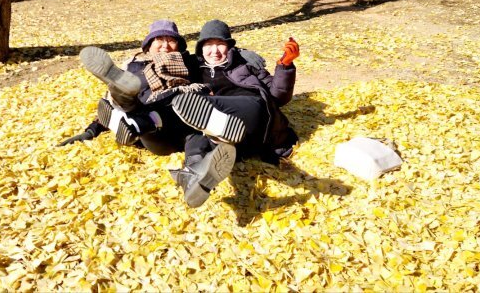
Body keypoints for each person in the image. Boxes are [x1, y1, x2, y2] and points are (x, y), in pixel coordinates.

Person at [168, 19, 300, 208]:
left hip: (251, 119)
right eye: (208, 45)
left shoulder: (245, 64)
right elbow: (168, 59)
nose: (214, 51)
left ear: (229, 46)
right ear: (200, 48)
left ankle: (212, 116)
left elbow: (278, 97)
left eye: (220, 44)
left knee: (206, 104)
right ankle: (193, 174)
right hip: (230, 142)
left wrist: (285, 66)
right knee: (194, 136)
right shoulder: (193, 68)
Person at [59, 19, 207, 155]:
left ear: (179, 45)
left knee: (178, 97)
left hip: (175, 131)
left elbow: (212, 82)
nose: (165, 45)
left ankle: (136, 114)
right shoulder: (135, 66)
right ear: (149, 45)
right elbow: (109, 106)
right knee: (128, 100)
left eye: (171, 40)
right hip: (145, 135)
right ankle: (133, 112)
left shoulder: (190, 62)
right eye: (159, 40)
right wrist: (91, 131)